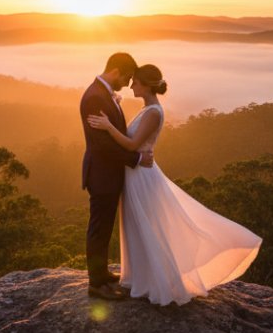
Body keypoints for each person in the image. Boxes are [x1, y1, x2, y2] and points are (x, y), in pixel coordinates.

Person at [87, 64, 261, 306]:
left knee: (149, 226)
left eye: (135, 82)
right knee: (138, 226)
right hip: (136, 173)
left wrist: (108, 127)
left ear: (146, 85)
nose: (131, 85)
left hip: (142, 177)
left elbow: (130, 144)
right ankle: (142, 277)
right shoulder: (147, 109)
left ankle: (157, 280)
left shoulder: (153, 113)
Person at [80, 52, 153, 300]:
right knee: (99, 228)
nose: (128, 83)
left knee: (105, 226)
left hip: (109, 173)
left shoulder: (103, 94)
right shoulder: (94, 98)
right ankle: (96, 284)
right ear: (115, 72)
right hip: (101, 173)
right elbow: (102, 145)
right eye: (127, 77)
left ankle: (101, 275)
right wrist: (136, 159)